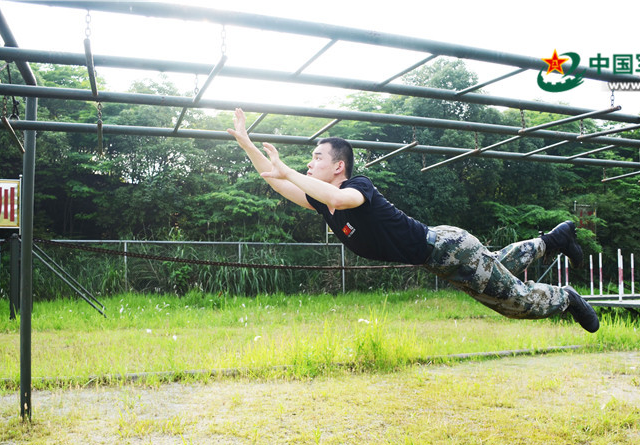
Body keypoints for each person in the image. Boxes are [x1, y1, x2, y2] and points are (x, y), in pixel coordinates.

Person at [227, 109, 599, 332]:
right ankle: (554, 240)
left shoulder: (357, 187)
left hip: (448, 251)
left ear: (338, 166)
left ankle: (565, 298)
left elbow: (337, 198)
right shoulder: (322, 203)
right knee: (498, 267)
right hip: (442, 250)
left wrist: (288, 170)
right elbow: (276, 181)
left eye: (316, 158)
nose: (309, 164)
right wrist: (246, 143)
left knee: (511, 301)